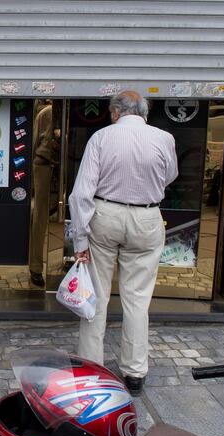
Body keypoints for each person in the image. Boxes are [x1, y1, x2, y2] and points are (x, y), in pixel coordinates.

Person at [68, 91, 177, 396]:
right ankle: (134, 372)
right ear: (144, 112)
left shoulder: (102, 138)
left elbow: (80, 194)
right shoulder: (164, 138)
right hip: (147, 217)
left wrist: (80, 238)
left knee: (96, 296)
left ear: (116, 112)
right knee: (138, 299)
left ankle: (91, 367)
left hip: (106, 214)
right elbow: (170, 176)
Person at [29, 101, 59, 287]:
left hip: (65, 162)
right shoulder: (47, 113)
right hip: (45, 163)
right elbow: (34, 143)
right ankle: (36, 267)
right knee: (40, 216)